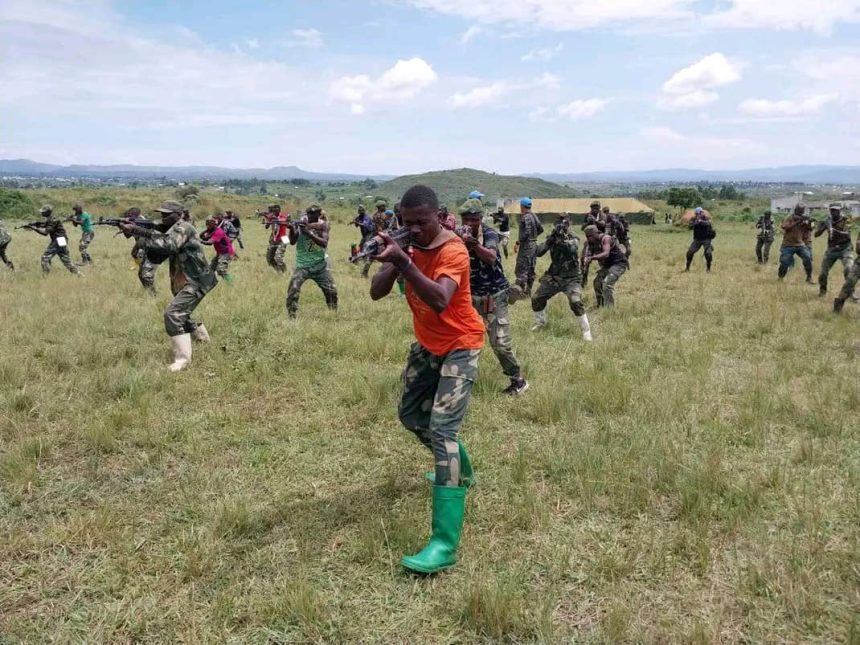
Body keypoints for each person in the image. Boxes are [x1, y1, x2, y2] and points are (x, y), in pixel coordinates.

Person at [369, 184, 483, 575]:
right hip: (428, 344)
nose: (413, 228)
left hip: (461, 343)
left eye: (421, 222)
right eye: (406, 221)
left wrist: (404, 262)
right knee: (410, 417)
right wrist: (391, 256)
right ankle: (461, 472)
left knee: (442, 431)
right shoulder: (408, 244)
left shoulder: (454, 250)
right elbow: (375, 293)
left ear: (439, 216)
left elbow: (439, 299)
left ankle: (444, 544)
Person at [120, 201, 216, 371]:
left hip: (196, 280)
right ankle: (203, 341)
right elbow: (160, 240)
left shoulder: (183, 227)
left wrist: (136, 231)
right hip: (188, 279)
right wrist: (139, 230)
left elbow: (169, 245)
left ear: (178, 214)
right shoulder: (173, 228)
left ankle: (182, 360)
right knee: (183, 314)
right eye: (161, 214)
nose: (163, 217)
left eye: (167, 214)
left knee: (173, 313)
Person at [459, 200, 528, 395]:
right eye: (467, 219)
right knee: (463, 340)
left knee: (500, 343)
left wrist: (472, 245)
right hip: (469, 297)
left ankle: (518, 380)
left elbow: (489, 257)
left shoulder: (489, 234)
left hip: (494, 296)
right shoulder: (456, 234)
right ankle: (461, 379)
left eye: (475, 219)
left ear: (481, 219)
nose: (470, 223)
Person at [530, 217, 592, 341]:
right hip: (555, 276)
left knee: (575, 301)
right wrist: (551, 240)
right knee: (537, 298)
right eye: (558, 225)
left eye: (564, 225)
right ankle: (540, 323)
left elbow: (572, 249)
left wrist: (562, 240)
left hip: (572, 278)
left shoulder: (573, 237)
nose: (561, 228)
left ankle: (586, 331)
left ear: (568, 225)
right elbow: (539, 252)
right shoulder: (552, 237)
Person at [286, 205, 337, 318]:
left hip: (320, 265)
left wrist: (308, 232)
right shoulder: (302, 223)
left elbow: (324, 243)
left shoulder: (324, 225)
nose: (309, 217)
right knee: (293, 289)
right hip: (303, 265)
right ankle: (291, 316)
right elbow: (292, 242)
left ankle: (333, 315)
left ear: (319, 215)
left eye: (312, 215)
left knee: (331, 291)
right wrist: (291, 229)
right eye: (308, 214)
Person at [814, 203, 854, 297]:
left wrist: (833, 230)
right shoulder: (827, 221)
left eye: (836, 210)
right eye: (832, 210)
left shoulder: (846, 220)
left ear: (840, 210)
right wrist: (824, 227)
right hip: (832, 249)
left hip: (845, 248)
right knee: (823, 273)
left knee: (848, 268)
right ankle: (822, 291)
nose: (834, 212)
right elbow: (816, 235)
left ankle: (850, 292)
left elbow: (847, 234)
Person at [583, 224, 628, 307]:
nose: (589, 238)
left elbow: (606, 254)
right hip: (608, 265)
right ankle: (601, 305)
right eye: (587, 236)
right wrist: (586, 261)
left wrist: (592, 257)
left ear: (596, 233)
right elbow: (587, 255)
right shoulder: (591, 243)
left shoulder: (605, 239)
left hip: (619, 264)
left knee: (607, 284)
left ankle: (609, 309)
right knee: (597, 282)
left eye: (590, 236)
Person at [31, 205, 80, 275]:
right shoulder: (51, 219)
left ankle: (45, 277)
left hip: (58, 240)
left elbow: (45, 233)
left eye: (43, 212)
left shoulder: (53, 219)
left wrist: (34, 228)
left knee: (45, 258)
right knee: (67, 261)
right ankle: (80, 275)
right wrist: (34, 225)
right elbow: (44, 225)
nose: (41, 213)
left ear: (47, 212)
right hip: (62, 240)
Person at [510, 197, 543, 301]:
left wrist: (519, 242)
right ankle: (528, 292)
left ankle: (520, 293)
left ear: (522, 206)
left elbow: (527, 232)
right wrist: (534, 237)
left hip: (526, 247)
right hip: (534, 245)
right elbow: (541, 229)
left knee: (522, 269)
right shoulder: (534, 216)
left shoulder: (525, 217)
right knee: (531, 269)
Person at [127, 207, 160, 294]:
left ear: (136, 215)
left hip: (149, 249)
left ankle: (153, 294)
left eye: (130, 215)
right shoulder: (135, 221)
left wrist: (135, 250)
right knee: (142, 274)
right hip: (145, 249)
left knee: (145, 274)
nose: (129, 216)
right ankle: (150, 292)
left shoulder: (142, 222)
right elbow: (128, 236)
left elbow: (141, 241)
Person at [778, 204, 814, 283]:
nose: (800, 213)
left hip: (800, 244)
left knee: (808, 258)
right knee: (784, 262)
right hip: (788, 245)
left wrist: (809, 222)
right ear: (795, 211)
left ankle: (809, 277)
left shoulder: (803, 219)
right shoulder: (789, 218)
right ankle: (780, 278)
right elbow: (785, 227)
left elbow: (810, 229)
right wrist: (797, 221)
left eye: (802, 212)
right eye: (799, 211)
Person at [200, 217, 235, 283]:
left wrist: (199, 241)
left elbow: (210, 243)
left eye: (209, 225)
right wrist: (206, 230)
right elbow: (202, 237)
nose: (207, 226)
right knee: (210, 269)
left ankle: (231, 283)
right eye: (206, 224)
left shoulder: (219, 232)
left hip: (226, 252)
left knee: (221, 270)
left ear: (214, 224)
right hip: (220, 253)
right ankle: (210, 283)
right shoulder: (212, 231)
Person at [685, 207, 716, 272]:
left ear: (702, 213)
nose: (698, 215)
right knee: (689, 253)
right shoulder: (693, 219)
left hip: (706, 239)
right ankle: (687, 268)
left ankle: (708, 269)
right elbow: (690, 227)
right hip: (697, 239)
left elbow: (707, 224)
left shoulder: (707, 218)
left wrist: (701, 221)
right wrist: (696, 222)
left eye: (699, 213)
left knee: (708, 253)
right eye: (697, 214)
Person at [263, 204, 288, 273]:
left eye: (275, 211)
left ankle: (285, 272)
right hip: (274, 239)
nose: (274, 213)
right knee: (269, 258)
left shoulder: (283, 216)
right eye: (273, 211)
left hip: (284, 238)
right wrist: (268, 219)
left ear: (279, 210)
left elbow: (285, 220)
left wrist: (275, 219)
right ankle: (278, 271)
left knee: (278, 257)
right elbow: (267, 226)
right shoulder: (272, 217)